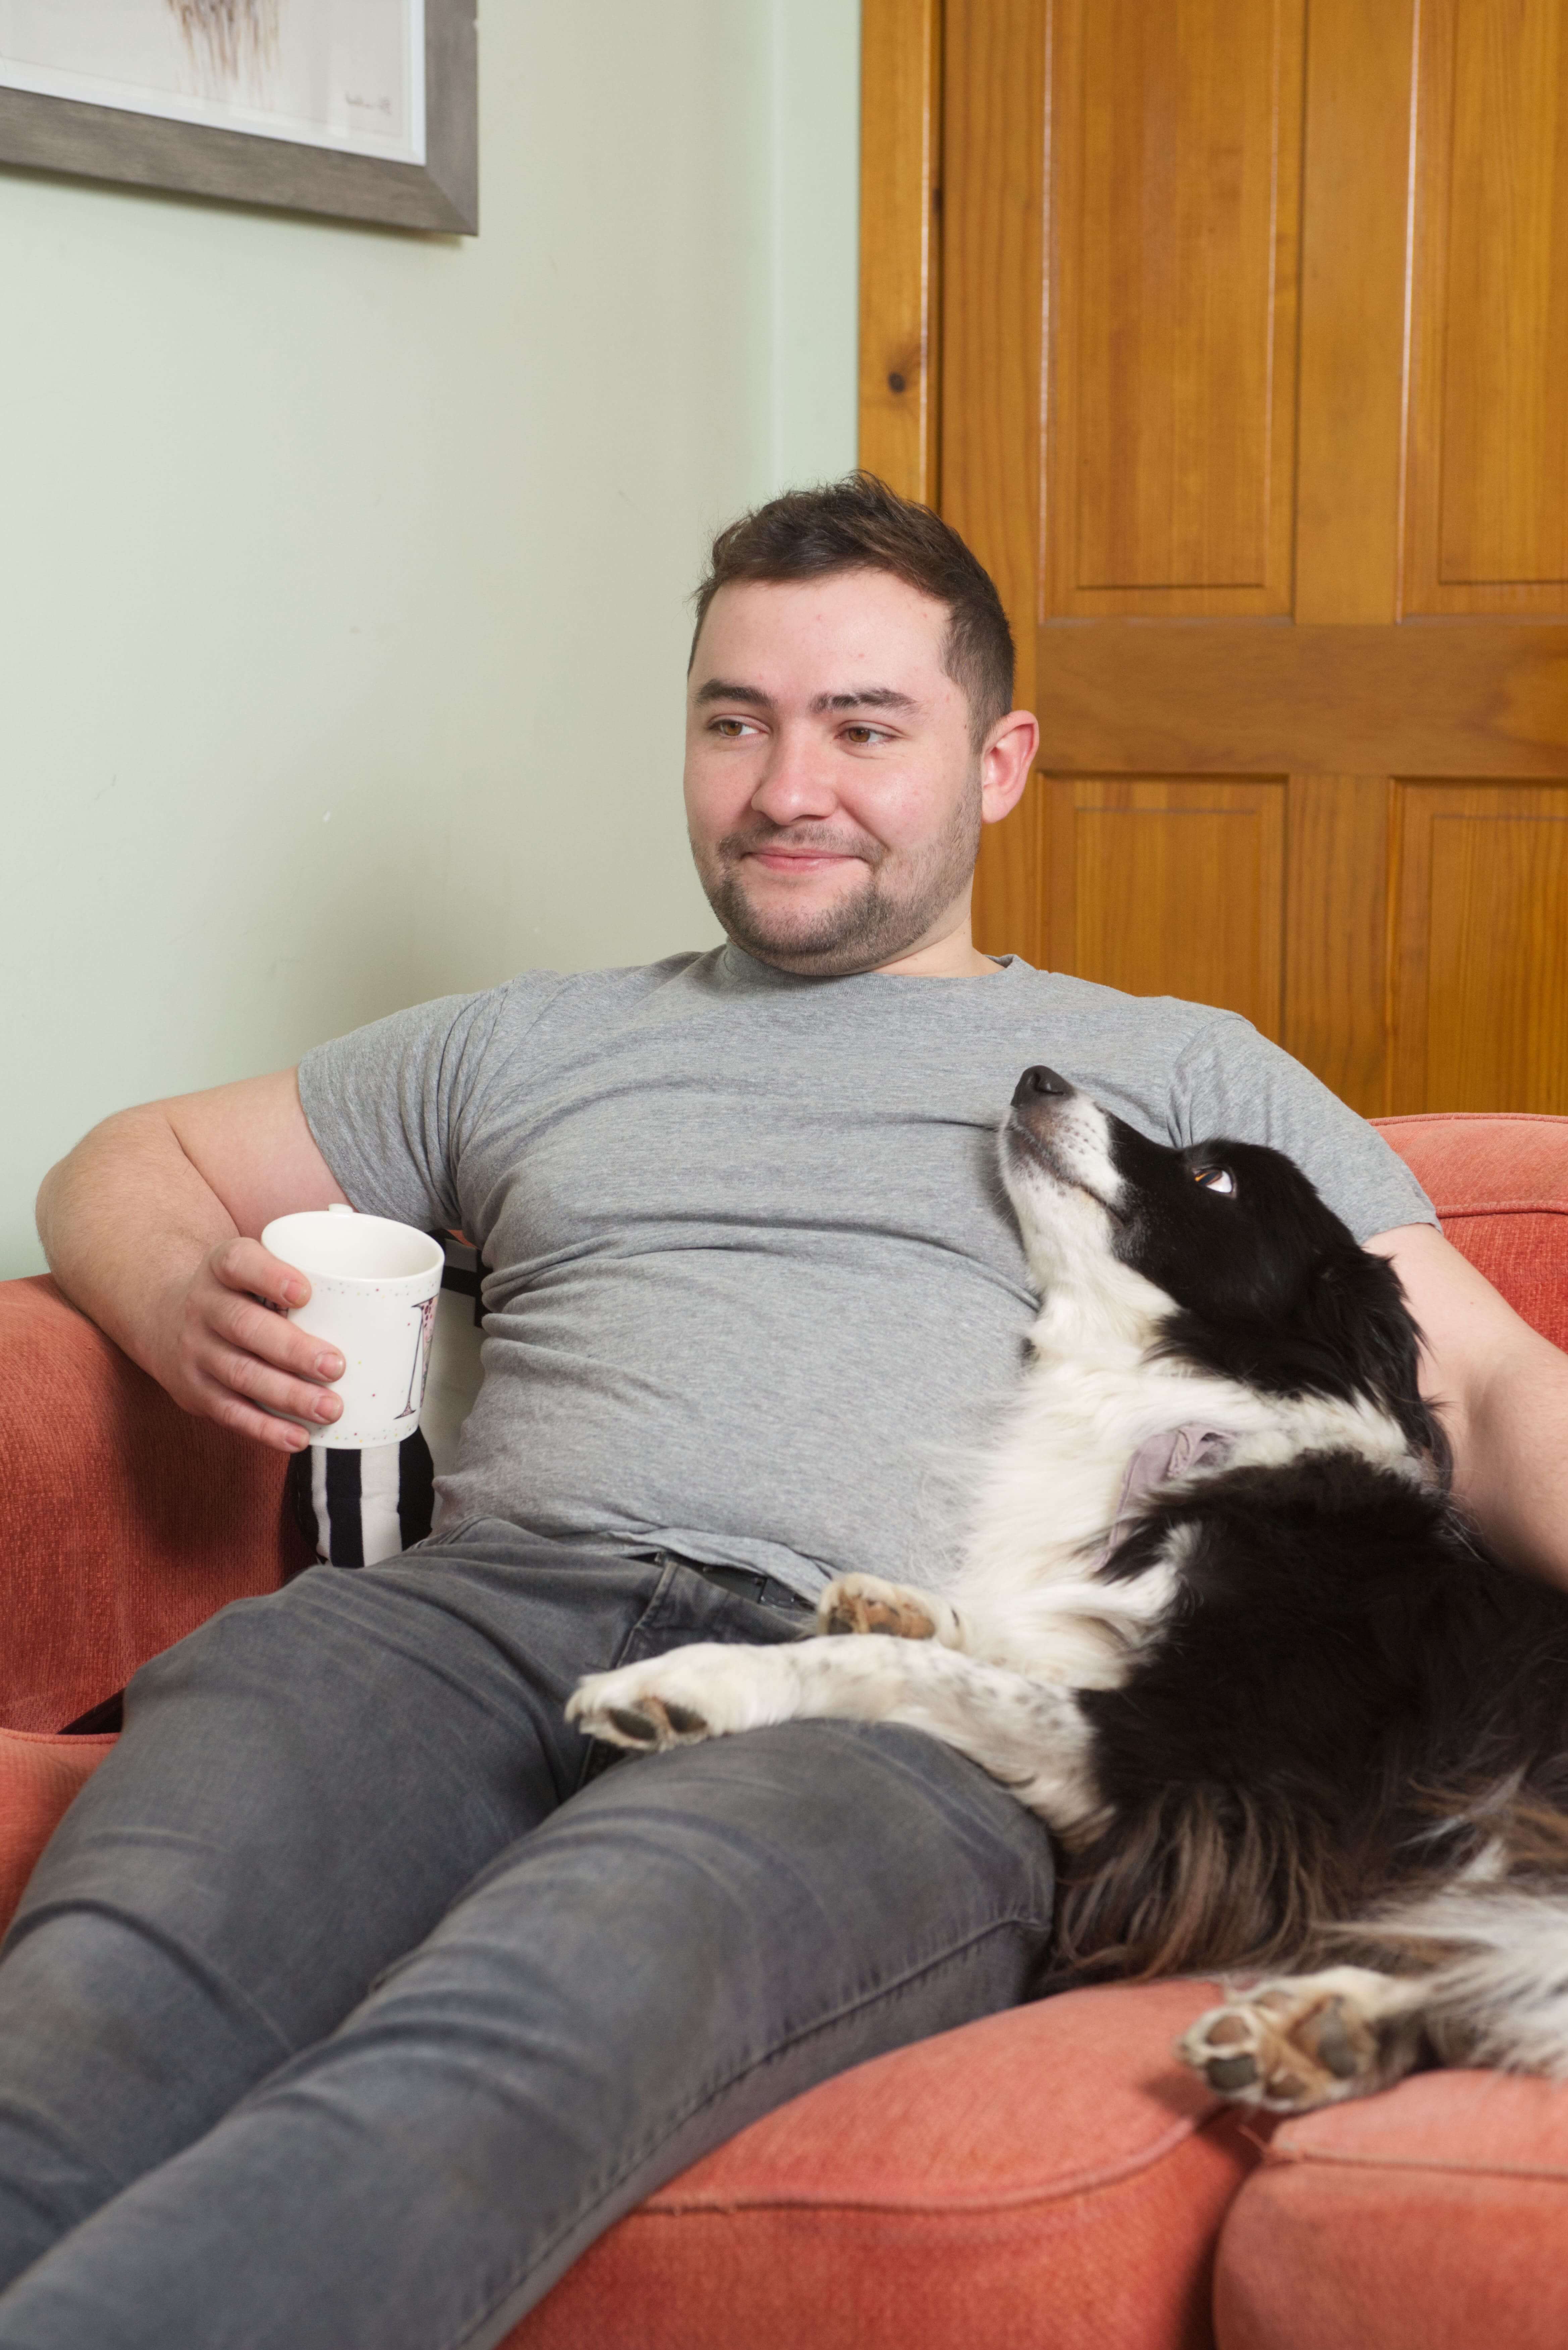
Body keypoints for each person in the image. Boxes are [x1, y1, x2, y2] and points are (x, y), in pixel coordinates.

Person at [15, 475, 1568, 2350]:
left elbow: (1483, 1393)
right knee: (88, 2023)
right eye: (734, 722)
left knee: (514, 2033)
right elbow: (131, 1160)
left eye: (863, 727)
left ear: (997, 763)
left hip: (872, 1692)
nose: (786, 787)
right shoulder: (523, 1041)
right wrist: (174, 1288)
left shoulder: (1168, 1072)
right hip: (455, 1626)